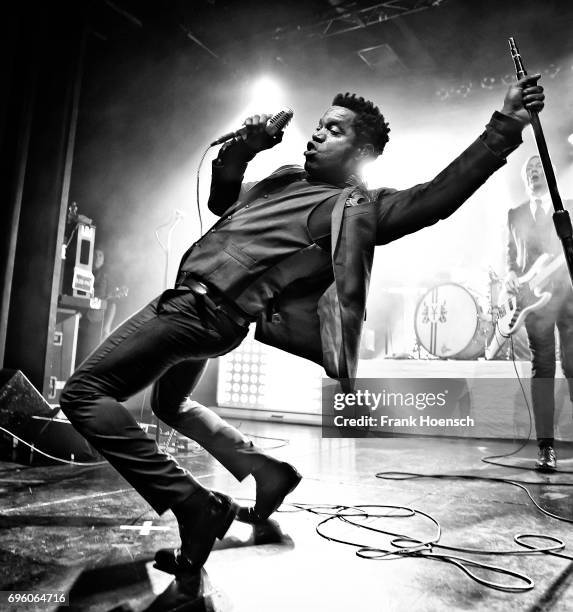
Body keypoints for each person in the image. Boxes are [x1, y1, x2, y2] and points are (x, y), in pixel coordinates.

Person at [59, 74, 544, 574]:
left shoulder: (355, 208)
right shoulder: (288, 177)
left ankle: (195, 505)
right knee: (170, 402)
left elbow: (439, 196)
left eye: (333, 130)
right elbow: (222, 203)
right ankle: (269, 473)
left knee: (83, 394)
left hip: (200, 311)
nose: (316, 134)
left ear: (363, 152)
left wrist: (507, 124)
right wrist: (242, 149)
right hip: (209, 314)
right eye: (318, 125)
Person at [505, 154, 573, 470]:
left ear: (551, 173)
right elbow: (511, 256)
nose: (534, 172)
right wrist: (510, 274)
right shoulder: (515, 214)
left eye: (539, 167)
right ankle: (546, 447)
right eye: (529, 170)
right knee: (542, 367)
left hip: (569, 296)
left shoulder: (568, 207)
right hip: (533, 300)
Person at [75, 248, 118, 366]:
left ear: (103, 260)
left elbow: (112, 303)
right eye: (95, 254)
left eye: (100, 255)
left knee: (89, 358)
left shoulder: (107, 277)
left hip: (96, 322)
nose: (96, 258)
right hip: (80, 320)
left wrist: (107, 327)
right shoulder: (82, 272)